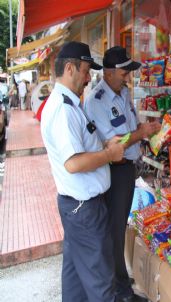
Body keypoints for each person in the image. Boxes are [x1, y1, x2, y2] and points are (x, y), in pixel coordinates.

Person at [41, 41, 126, 302]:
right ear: (70, 68)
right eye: (86, 71)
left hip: (77, 208)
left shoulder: (69, 103)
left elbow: (81, 147)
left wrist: (102, 145)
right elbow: (74, 163)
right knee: (101, 282)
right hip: (85, 210)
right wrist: (110, 155)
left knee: (76, 280)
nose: (89, 79)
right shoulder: (63, 110)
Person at [84, 46, 161, 302]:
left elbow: (131, 125)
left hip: (128, 170)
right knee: (115, 231)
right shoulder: (96, 101)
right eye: (124, 71)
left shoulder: (124, 93)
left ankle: (118, 278)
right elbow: (113, 143)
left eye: (129, 70)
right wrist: (140, 134)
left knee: (119, 227)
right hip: (113, 172)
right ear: (108, 72)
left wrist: (147, 130)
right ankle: (121, 292)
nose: (128, 75)